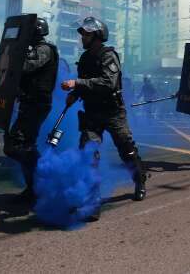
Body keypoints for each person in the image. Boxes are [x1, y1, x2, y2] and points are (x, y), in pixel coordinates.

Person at [61, 17, 147, 220]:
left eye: (87, 34)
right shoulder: (84, 59)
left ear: (97, 36)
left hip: (113, 113)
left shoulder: (108, 55)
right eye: (82, 33)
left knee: (127, 150)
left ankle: (140, 180)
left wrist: (77, 83)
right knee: (89, 154)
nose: (82, 37)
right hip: (91, 112)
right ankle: (92, 202)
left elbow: (108, 82)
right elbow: (85, 85)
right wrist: (75, 94)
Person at [3, 17, 58, 204]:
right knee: (22, 144)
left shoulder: (44, 49)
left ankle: (42, 175)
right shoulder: (34, 49)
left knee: (17, 145)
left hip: (37, 103)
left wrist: (14, 52)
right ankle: (35, 187)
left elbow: (25, 66)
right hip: (29, 102)